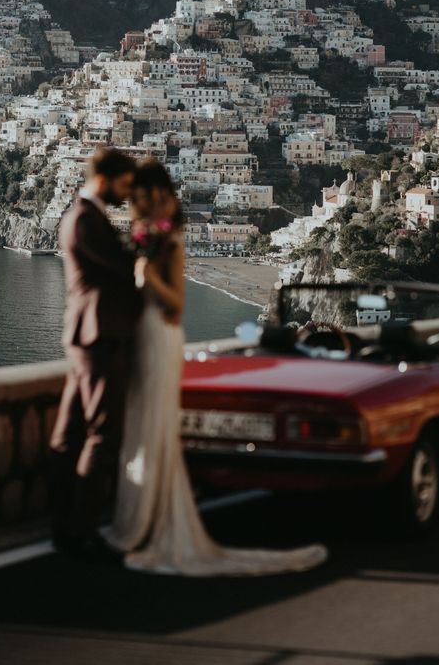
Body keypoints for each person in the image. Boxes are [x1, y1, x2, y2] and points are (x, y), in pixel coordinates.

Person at [106, 160, 327, 576]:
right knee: (141, 424)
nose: (139, 203)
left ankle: (156, 521)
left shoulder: (169, 244)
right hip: (141, 338)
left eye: (145, 196)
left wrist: (146, 277)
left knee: (155, 422)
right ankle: (139, 518)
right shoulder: (149, 241)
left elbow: (174, 305)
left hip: (161, 338)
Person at [49, 147, 141, 558]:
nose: (127, 192)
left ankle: (64, 526)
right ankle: (81, 531)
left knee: (68, 437)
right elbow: (122, 270)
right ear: (105, 178)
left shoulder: (84, 217)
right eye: (124, 184)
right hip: (98, 335)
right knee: (103, 436)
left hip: (87, 336)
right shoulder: (86, 220)